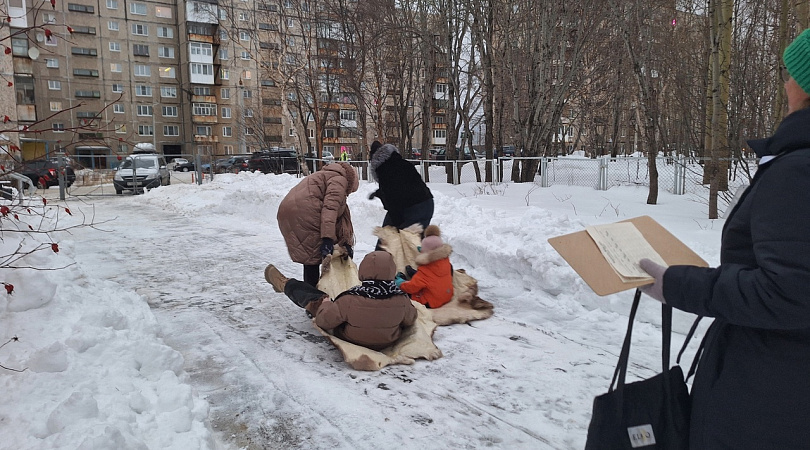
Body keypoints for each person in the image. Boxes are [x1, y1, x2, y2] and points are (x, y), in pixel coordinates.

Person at [639, 28, 810, 448]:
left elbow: (789, 292)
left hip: (770, 397)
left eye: (790, 74)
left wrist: (677, 284)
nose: (785, 83)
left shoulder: (798, 170)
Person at [264, 251, 417, 350]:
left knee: (319, 299)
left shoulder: (350, 299)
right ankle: (286, 285)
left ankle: (285, 284)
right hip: (387, 342)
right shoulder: (401, 299)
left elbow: (324, 321)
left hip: (353, 339)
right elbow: (410, 319)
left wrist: (326, 305)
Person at [277, 161, 358, 287]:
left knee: (311, 258)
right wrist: (327, 239)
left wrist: (343, 243)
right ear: (351, 182)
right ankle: (314, 299)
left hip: (289, 211)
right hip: (305, 213)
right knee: (314, 257)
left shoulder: (327, 174)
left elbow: (337, 217)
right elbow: (330, 210)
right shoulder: (340, 180)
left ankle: (312, 294)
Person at [368, 141, 434, 234]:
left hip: (414, 208)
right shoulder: (402, 163)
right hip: (427, 203)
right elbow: (404, 186)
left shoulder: (383, 170)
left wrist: (397, 225)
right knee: (408, 241)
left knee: (400, 241)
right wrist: (379, 193)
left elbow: (391, 201)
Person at [395, 225, 454, 309]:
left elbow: (411, 288)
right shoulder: (446, 261)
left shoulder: (424, 272)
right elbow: (432, 275)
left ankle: (404, 279)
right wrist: (425, 251)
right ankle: (414, 274)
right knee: (428, 278)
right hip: (447, 295)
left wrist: (400, 283)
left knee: (404, 291)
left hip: (431, 301)